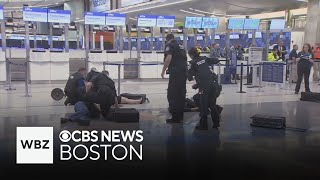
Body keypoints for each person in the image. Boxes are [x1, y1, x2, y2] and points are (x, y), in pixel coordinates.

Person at [187, 47, 220, 130]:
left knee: (203, 105)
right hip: (213, 85)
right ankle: (216, 123)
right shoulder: (204, 58)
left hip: (203, 88)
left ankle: (203, 125)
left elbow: (190, 77)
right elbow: (215, 60)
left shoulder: (192, 62)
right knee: (212, 105)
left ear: (191, 55)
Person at [161, 34, 188, 123]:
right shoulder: (181, 46)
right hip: (184, 72)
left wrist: (163, 70)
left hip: (176, 73)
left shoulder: (170, 45)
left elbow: (168, 58)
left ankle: (175, 117)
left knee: (172, 94)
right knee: (181, 94)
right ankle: (180, 116)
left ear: (167, 39)